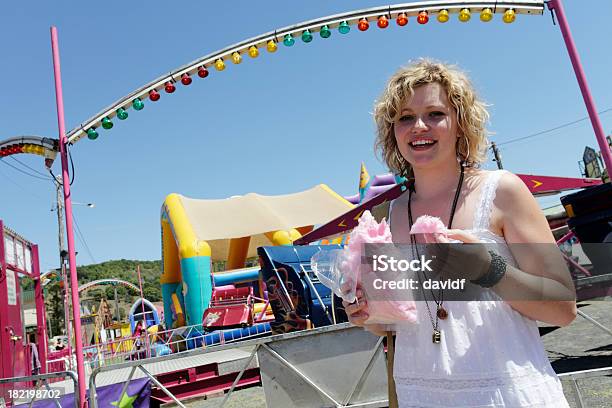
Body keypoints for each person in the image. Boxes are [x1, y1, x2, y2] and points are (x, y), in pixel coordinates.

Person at [343, 59, 576, 407]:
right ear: (392, 131)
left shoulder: (502, 192)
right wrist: (368, 314)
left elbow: (563, 307)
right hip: (420, 394)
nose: (418, 126)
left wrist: (490, 270)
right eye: (405, 117)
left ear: (460, 123)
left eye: (435, 113)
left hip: (505, 393)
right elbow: (396, 325)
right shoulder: (383, 217)